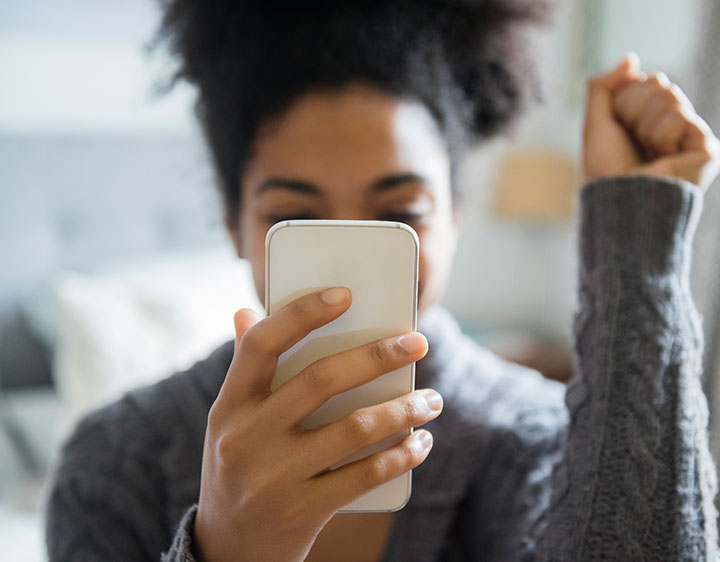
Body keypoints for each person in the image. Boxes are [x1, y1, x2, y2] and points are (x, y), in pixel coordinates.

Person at [46, 1, 720, 561]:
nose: (348, 259)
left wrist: (639, 247)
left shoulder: (535, 439)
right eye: (295, 216)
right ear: (232, 223)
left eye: (399, 213)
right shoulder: (114, 464)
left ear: (456, 217)